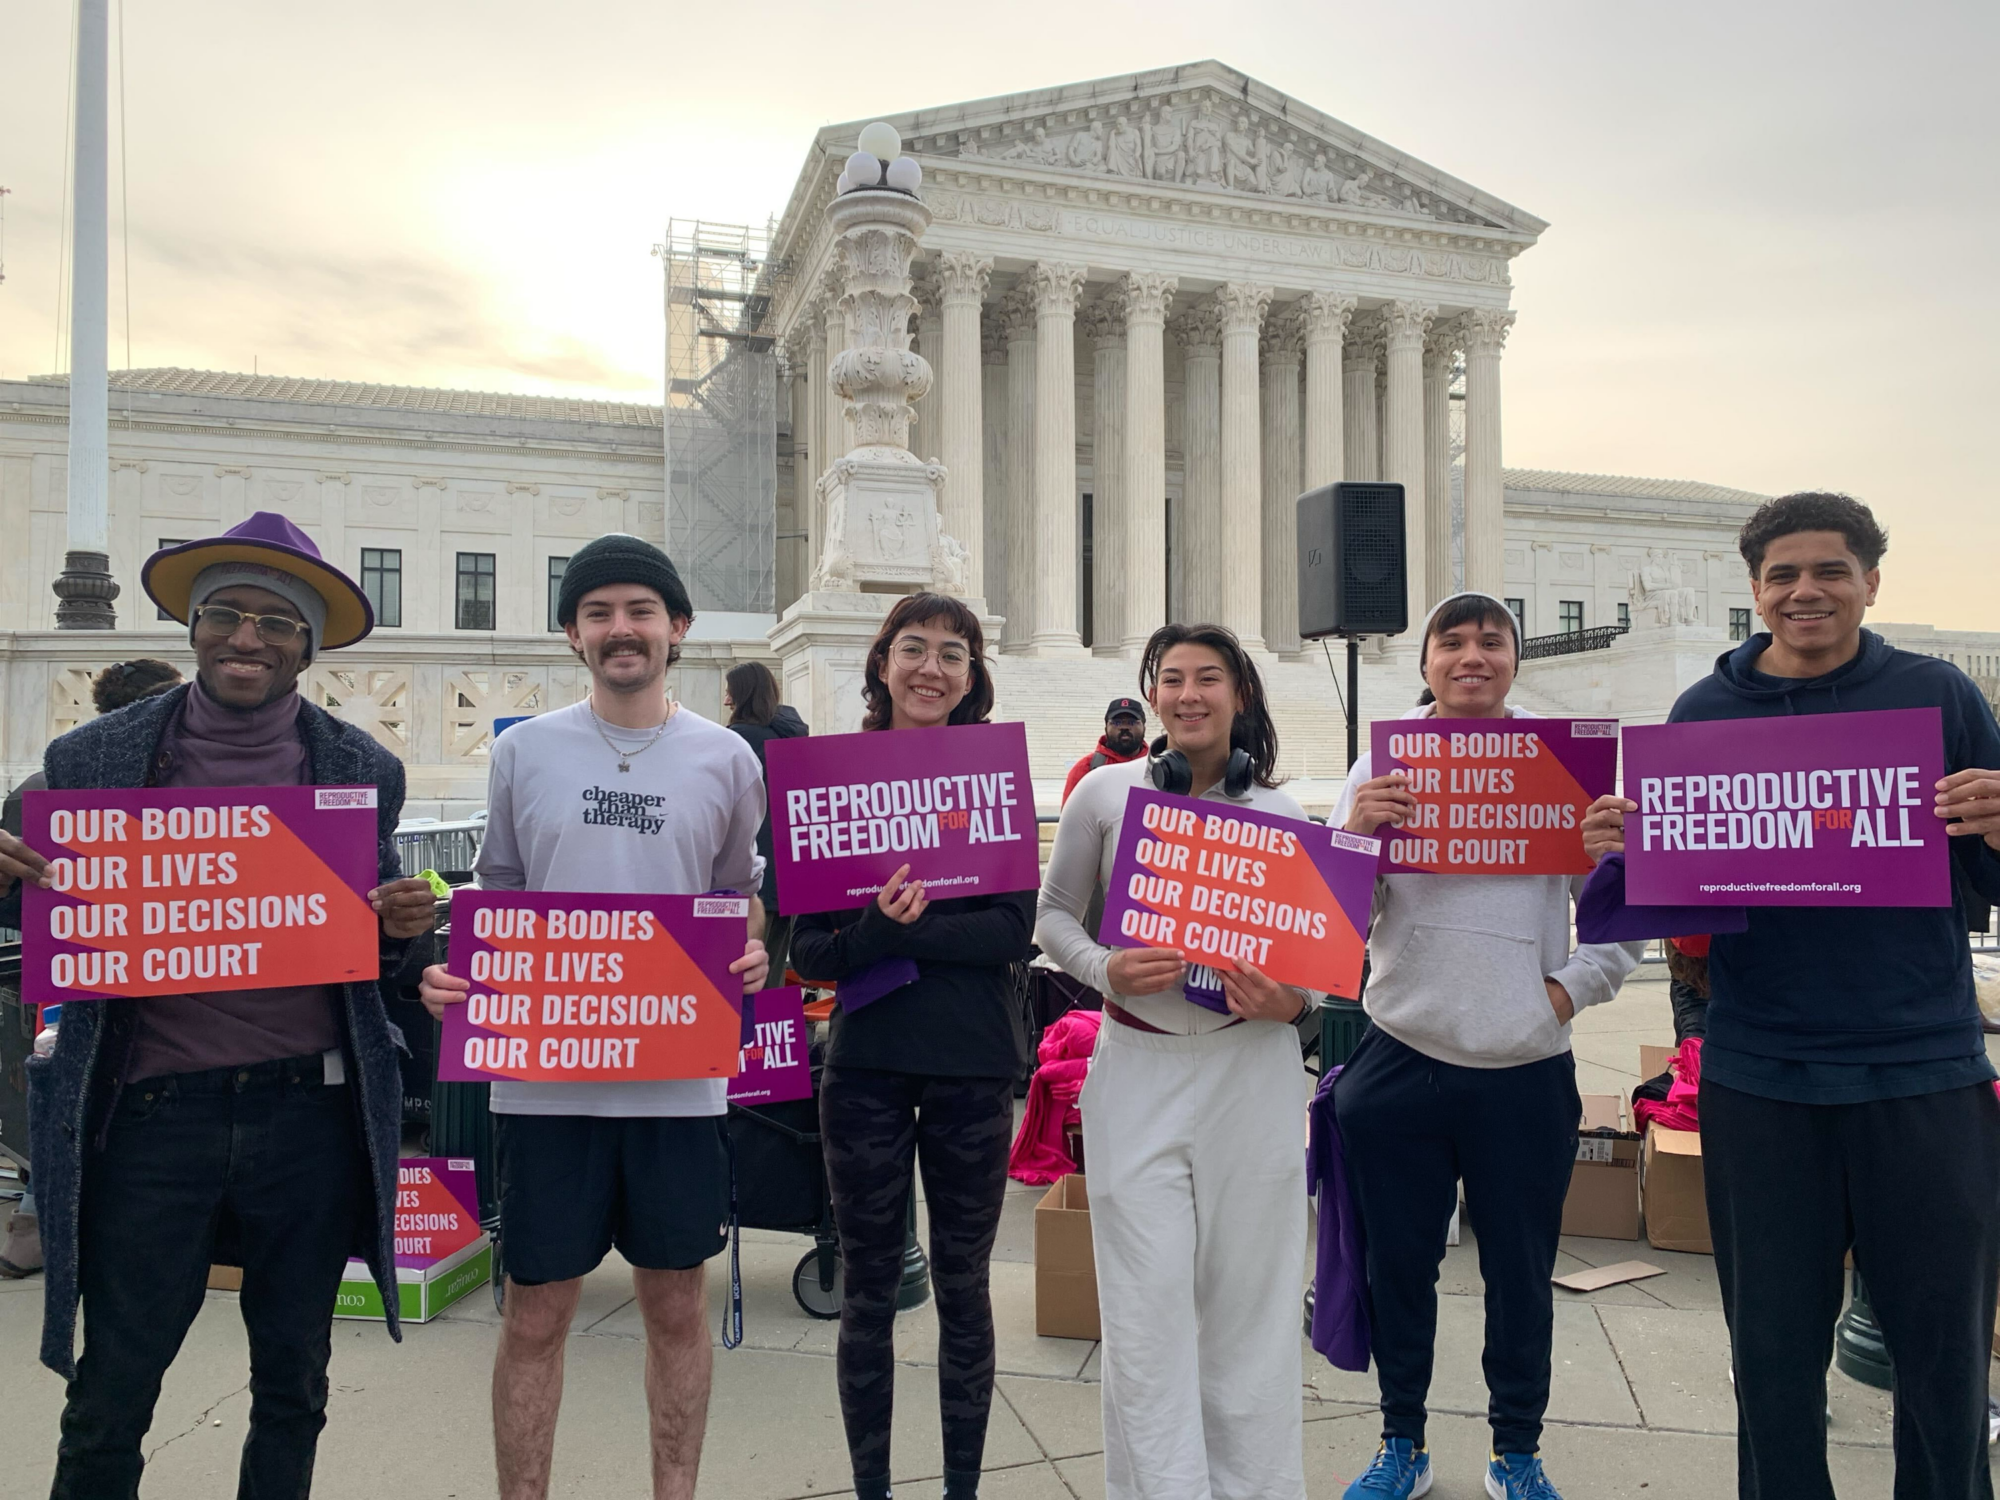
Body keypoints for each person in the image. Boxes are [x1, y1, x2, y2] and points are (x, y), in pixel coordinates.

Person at [0, 512, 437, 1499]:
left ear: (307, 647)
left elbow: (356, 937)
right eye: (226, 614)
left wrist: (400, 926)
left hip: (309, 1117)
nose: (248, 637)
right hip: (152, 1118)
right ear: (190, 629)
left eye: (276, 621)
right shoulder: (89, 761)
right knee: (112, 1390)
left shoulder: (364, 768)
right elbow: (52, 924)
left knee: (294, 1386)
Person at [1583, 492, 2000, 1500]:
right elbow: (1681, 917)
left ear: (1868, 582)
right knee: (1771, 1361)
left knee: (1942, 1359)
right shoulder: (1702, 713)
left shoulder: (1937, 697)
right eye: (1781, 575)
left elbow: (1981, 887)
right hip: (1762, 1077)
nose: (1804, 591)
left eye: (1828, 571)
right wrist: (1627, 852)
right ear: (1754, 590)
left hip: (1921, 1069)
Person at [417, 532, 769, 1500]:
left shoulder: (727, 758)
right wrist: (452, 979)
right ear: (572, 635)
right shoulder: (524, 751)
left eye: (640, 610)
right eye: (600, 612)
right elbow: (494, 898)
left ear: (676, 629)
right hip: (543, 1089)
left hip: (679, 1087)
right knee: (534, 1313)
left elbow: (735, 896)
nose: (622, 629)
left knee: (674, 1311)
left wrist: (752, 947)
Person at [1330, 591, 1644, 1500]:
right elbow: (1337, 918)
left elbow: (1623, 914)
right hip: (1401, 1054)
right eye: (1452, 642)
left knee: (1521, 1275)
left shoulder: (1567, 764)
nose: (1473, 656)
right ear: (1423, 662)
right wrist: (1355, 839)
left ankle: (1516, 1450)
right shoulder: (1375, 770)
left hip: (1524, 1062)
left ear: (1514, 658)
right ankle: (1403, 1441)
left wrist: (1568, 990)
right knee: (1400, 1269)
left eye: (1492, 641)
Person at [1036, 621, 1319, 1500]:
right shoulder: (1103, 796)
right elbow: (1052, 920)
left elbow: (1318, 967)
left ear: (1240, 695)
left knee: (1254, 1314)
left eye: (1209, 678)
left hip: (1255, 1072)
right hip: (1139, 1063)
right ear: (1152, 696)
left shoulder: (1282, 814)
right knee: (1145, 1313)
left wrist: (1293, 1004)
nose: (1189, 694)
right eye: (1172, 679)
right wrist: (1103, 968)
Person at [789, 593, 1036, 1500]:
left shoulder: (993, 778)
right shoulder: (830, 780)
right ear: (882, 663)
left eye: (954, 655)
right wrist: (877, 933)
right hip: (866, 1069)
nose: (932, 668)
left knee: (965, 1287)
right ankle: (873, 1491)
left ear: (974, 676)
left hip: (972, 1064)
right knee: (869, 1289)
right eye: (914, 649)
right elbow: (806, 951)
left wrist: (901, 927)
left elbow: (1012, 932)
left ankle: (962, 1489)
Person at [1, 659, 185, 1284]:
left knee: (58, 1096)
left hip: (59, 977)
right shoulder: (123, 784)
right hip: (119, 981)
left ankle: (34, 1229)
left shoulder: (39, 784)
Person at [723, 660, 809, 983]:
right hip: (789, 878)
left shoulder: (735, 741)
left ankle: (744, 1036)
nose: (726, 700)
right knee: (771, 977)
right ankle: (771, 1034)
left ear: (742, 694)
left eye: (730, 691)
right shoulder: (793, 737)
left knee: (736, 978)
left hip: (747, 876)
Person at [1060, 697, 1150, 805]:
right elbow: (1070, 819)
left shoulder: (1159, 766)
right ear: (1106, 728)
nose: (1124, 727)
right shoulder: (1085, 769)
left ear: (1144, 727)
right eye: (1117, 722)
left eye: (1131, 722)